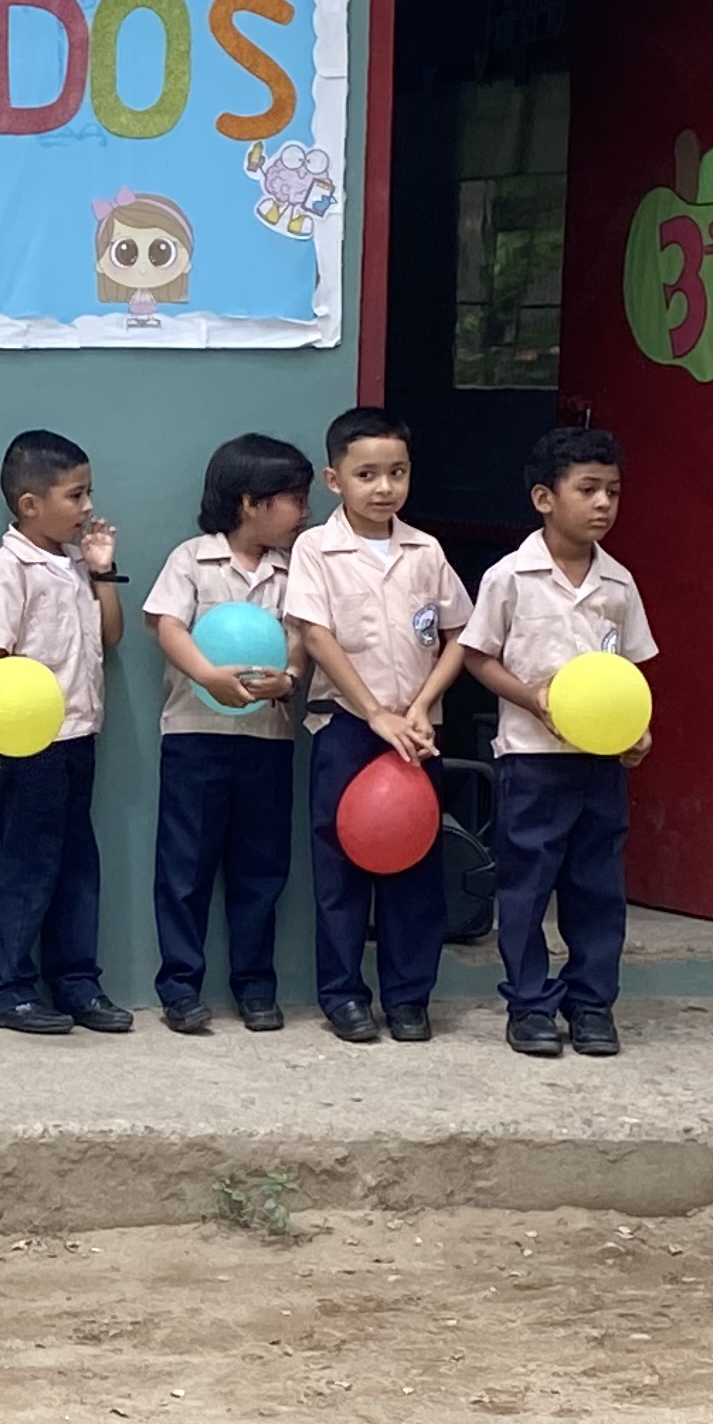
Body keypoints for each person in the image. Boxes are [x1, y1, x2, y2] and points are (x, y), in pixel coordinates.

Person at [457, 425, 657, 1060]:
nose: (603, 504)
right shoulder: (510, 578)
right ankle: (529, 1004)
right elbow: (478, 658)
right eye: (588, 490)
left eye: (614, 492)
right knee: (526, 885)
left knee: (596, 886)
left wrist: (637, 730)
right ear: (545, 498)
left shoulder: (620, 584)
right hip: (531, 759)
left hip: (600, 763)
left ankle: (592, 1004)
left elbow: (630, 670)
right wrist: (533, 699)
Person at [284, 407, 470, 1044]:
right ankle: (343, 996)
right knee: (339, 870)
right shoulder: (316, 548)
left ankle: (410, 997)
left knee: (415, 867)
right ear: (334, 480)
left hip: (418, 736)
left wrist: (419, 709)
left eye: (397, 472)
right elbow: (316, 634)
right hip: (347, 728)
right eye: (367, 474)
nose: (384, 487)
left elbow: (458, 637)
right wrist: (376, 713)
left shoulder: (427, 550)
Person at [142, 433, 310, 1034]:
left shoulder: (298, 570)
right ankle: (180, 988)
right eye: (292, 498)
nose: (304, 512)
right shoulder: (192, 558)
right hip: (194, 733)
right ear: (249, 502)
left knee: (260, 868)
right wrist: (208, 675)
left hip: (267, 738)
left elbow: (305, 643)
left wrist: (287, 682)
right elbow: (166, 624)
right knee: (184, 866)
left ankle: (255, 986)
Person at [0, 427, 127, 1035]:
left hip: (80, 735)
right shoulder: (7, 571)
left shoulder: (70, 565)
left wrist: (102, 573)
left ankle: (76, 984)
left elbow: (109, 636)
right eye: (76, 495)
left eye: (89, 494)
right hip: (29, 745)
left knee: (75, 864)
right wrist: (16, 733)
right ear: (30, 504)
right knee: (26, 865)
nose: (87, 508)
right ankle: (8, 989)